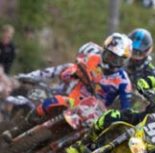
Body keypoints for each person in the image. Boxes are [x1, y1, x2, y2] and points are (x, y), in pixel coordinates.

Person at [2, 33, 133, 142]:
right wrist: (73, 73)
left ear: (124, 61)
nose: (112, 61)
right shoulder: (92, 58)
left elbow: (125, 108)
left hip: (93, 115)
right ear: (104, 51)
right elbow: (68, 72)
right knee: (48, 103)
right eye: (110, 56)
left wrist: (120, 117)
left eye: (117, 59)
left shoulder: (124, 81)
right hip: (73, 101)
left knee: (86, 142)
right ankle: (18, 130)